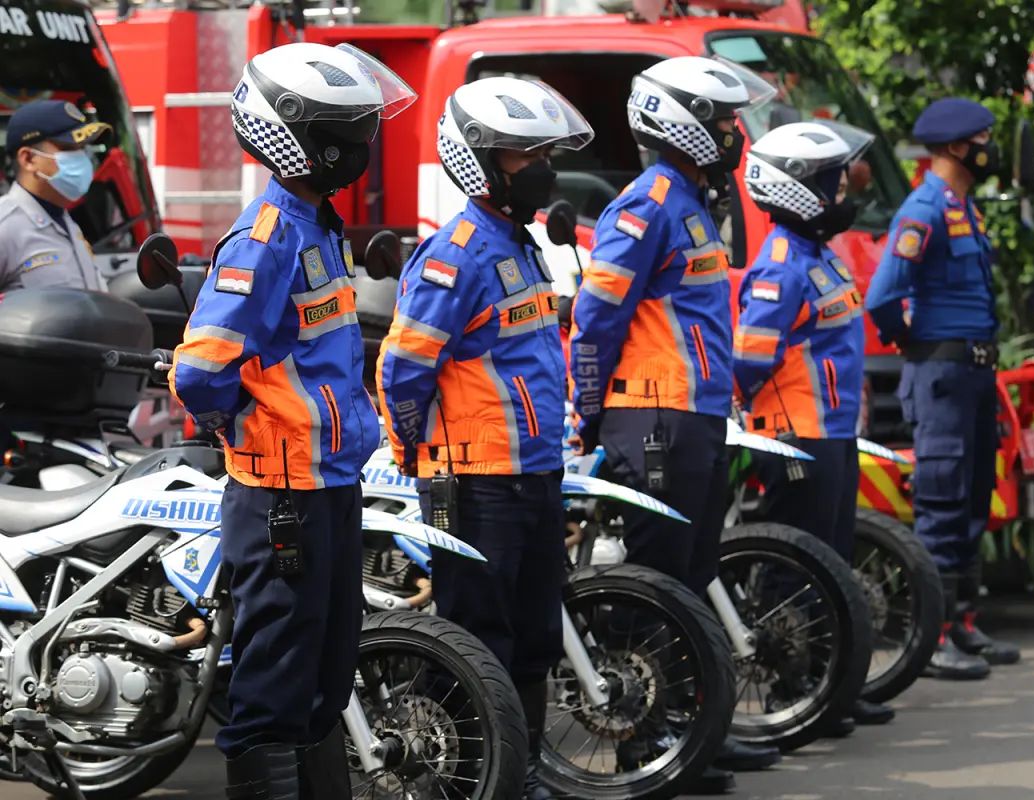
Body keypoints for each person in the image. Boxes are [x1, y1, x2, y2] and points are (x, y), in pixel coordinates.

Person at [170, 42, 416, 800]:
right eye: (344, 130)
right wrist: (253, 428)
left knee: (323, 682)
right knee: (273, 689)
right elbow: (200, 371)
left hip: (328, 485)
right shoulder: (267, 237)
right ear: (294, 137)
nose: (361, 145)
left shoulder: (322, 228)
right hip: (281, 495)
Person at [376, 76, 593, 800]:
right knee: (474, 639)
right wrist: (416, 455)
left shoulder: (521, 245)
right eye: (520, 153)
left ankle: (519, 777)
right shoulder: (455, 255)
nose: (539, 165)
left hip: (532, 472)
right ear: (476, 160)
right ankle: (463, 780)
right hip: (472, 478)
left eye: (543, 151)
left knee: (531, 639)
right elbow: (405, 368)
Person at [568, 55, 781, 789]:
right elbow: (595, 315)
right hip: (652, 415)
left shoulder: (692, 201)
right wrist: (589, 407)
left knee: (692, 575)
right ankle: (645, 740)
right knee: (657, 583)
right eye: (723, 121)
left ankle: (698, 731)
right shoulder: (647, 203)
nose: (733, 133)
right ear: (682, 125)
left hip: (692, 415)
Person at [733, 120, 896, 730]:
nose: (840, 194)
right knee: (793, 567)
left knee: (830, 564)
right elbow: (750, 359)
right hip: (795, 432)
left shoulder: (819, 256)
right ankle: (790, 689)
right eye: (830, 183)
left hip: (830, 430)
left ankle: (835, 684)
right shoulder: (780, 264)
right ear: (796, 189)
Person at [864, 97, 1020, 681]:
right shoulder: (924, 208)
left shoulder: (962, 206)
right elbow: (882, 295)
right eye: (983, 138)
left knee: (974, 497)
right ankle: (930, 637)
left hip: (973, 373)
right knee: (942, 501)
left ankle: (963, 622)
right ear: (957, 147)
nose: (990, 147)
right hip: (943, 373)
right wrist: (913, 343)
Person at [0, 99, 111, 292]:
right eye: (67, 148)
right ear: (28, 159)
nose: (82, 158)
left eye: (82, 148)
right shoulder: (6, 227)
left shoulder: (67, 222)